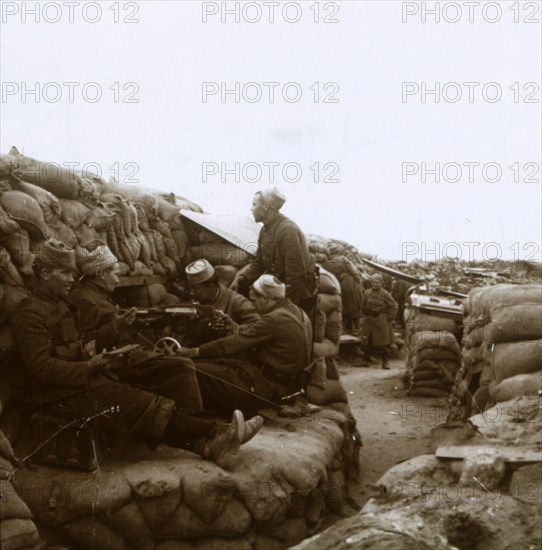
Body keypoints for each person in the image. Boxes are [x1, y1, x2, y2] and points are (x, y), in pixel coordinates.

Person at [12, 239, 262, 469]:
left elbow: (82, 343)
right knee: (143, 405)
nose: (71, 278)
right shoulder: (31, 314)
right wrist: (90, 367)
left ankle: (208, 446)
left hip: (80, 382)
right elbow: (41, 369)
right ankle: (218, 432)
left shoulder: (61, 306)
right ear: (45, 274)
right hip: (59, 394)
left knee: (141, 400)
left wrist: (107, 339)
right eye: (65, 272)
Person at [178, 274, 313, 417]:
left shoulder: (275, 319)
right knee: (213, 362)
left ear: (266, 299)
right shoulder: (295, 311)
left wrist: (195, 351)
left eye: (255, 301)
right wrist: (233, 327)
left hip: (270, 388)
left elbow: (232, 344)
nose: (253, 305)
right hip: (287, 384)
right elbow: (254, 334)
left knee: (197, 368)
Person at [230, 188, 316, 317]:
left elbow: (296, 275)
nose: (251, 209)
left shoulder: (288, 230)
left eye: (254, 204)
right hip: (277, 290)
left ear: (265, 206)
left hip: (296, 294)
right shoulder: (265, 230)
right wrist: (242, 277)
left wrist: (284, 309)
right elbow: (259, 263)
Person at [184, 259, 260, 343]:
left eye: (195, 288)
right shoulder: (197, 300)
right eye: (190, 288)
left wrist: (233, 327)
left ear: (210, 287)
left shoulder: (237, 302)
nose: (191, 292)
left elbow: (258, 330)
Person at [360, 273, 398, 369]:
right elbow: (363, 304)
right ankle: (365, 360)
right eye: (373, 282)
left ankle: (385, 362)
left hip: (380, 321)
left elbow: (394, 306)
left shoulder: (385, 294)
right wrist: (365, 314)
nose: (375, 284)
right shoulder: (367, 293)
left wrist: (388, 318)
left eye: (377, 282)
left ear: (381, 283)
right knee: (367, 341)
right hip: (369, 320)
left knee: (383, 343)